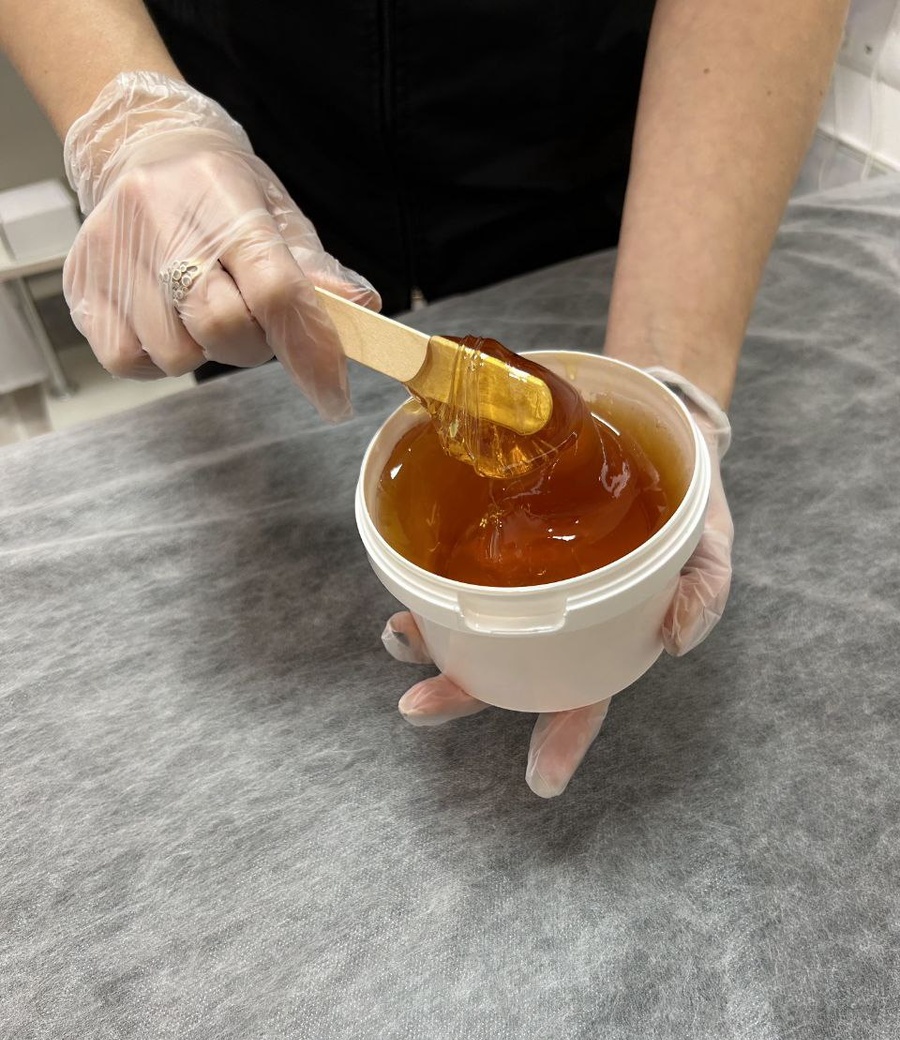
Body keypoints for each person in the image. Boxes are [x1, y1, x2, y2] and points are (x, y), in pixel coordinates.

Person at [1, 0, 849, 796]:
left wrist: (672, 364)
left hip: (586, 175)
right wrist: (136, 121)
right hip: (255, 201)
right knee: (235, 325)